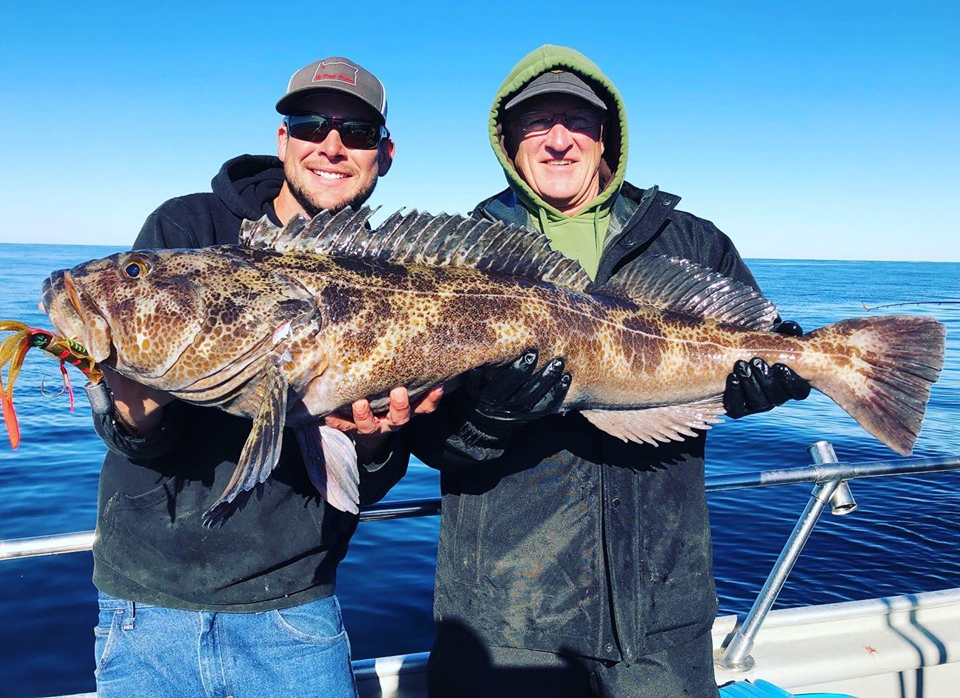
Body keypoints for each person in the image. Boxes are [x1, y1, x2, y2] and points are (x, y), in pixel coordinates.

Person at [399, 45, 811, 697]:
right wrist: (485, 419)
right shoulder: (462, 256)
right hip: (505, 623)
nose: (558, 140)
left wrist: (767, 385)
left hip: (662, 620)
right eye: (537, 122)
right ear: (507, 141)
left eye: (577, 120)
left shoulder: (691, 240)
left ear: (606, 134)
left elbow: (750, 350)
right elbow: (429, 438)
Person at [86, 56, 441, 698]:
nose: (331, 147)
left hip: (294, 614)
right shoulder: (186, 232)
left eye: (357, 134)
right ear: (282, 141)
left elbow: (369, 480)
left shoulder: (398, 274)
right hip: (145, 612)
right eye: (311, 125)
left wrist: (376, 442)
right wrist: (132, 407)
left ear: (384, 155)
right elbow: (128, 435)